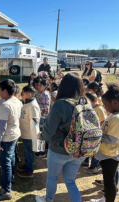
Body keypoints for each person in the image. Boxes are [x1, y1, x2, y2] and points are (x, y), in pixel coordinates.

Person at [35, 72, 86, 202]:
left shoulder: (60, 104)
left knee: (52, 177)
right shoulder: (86, 103)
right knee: (70, 181)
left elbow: (49, 131)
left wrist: (40, 138)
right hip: (79, 150)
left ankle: (49, 199)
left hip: (59, 149)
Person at [90, 83, 119, 202]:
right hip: (108, 153)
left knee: (109, 181)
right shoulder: (116, 115)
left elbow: (112, 140)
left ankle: (109, 200)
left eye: (105, 105)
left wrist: (97, 134)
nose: (104, 107)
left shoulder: (118, 119)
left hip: (110, 154)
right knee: (108, 179)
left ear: (115, 103)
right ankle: (106, 198)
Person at [0, 79, 23, 201]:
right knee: (11, 158)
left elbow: (2, 127)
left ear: (5, 91)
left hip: (7, 138)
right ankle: (12, 177)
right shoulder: (16, 101)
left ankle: (6, 190)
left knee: (5, 164)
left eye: (0, 90)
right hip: (14, 135)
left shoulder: (5, 105)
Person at [17, 85, 40, 178]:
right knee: (27, 152)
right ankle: (27, 165)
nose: (21, 95)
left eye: (22, 94)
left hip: (30, 135)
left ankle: (29, 170)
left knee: (29, 153)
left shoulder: (33, 106)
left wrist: (35, 137)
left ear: (29, 95)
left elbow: (35, 123)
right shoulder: (27, 103)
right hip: (25, 133)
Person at [82, 93, 107, 174]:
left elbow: (103, 121)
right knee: (88, 148)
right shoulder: (90, 108)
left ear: (95, 101)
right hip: (90, 133)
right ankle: (86, 161)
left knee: (95, 151)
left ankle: (95, 166)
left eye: (90, 102)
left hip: (96, 134)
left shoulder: (99, 109)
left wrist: (95, 127)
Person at [35, 78, 51, 158]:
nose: (39, 86)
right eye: (38, 85)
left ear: (45, 86)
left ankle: (42, 152)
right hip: (39, 116)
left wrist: (36, 106)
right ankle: (41, 149)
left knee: (41, 134)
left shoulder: (46, 94)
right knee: (39, 134)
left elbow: (46, 106)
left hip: (43, 117)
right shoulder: (38, 93)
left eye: (41, 85)